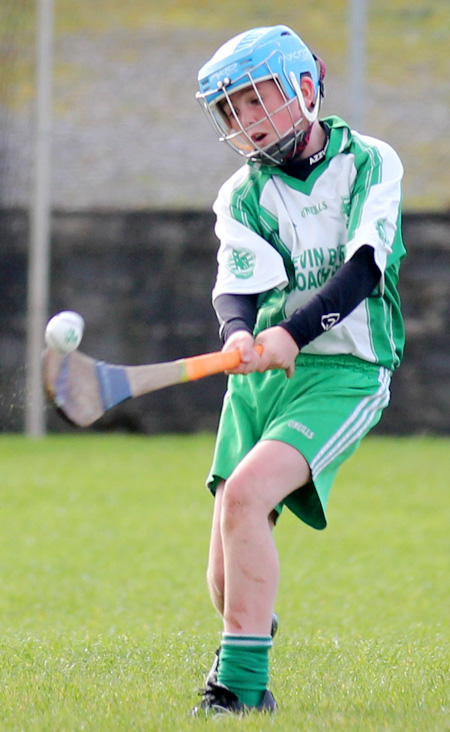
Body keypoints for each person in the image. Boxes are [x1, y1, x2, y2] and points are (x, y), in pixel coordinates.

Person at [193, 24, 405, 716]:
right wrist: (237, 334)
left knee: (248, 497)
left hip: (345, 371)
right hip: (260, 381)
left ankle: (240, 692)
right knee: (225, 576)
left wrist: (292, 331)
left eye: (255, 101)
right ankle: (250, 620)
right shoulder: (242, 194)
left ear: (305, 91)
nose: (245, 123)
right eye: (232, 111)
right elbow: (236, 285)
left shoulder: (370, 163)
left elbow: (364, 269)